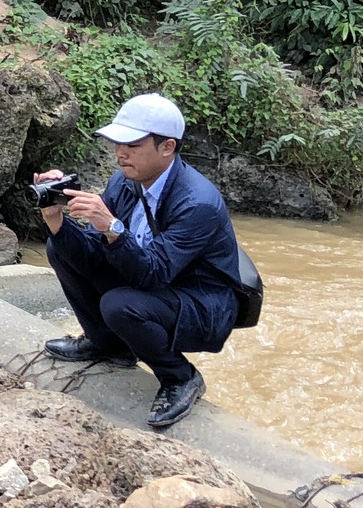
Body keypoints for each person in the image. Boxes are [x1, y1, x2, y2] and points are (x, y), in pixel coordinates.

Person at [32, 92, 244, 429]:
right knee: (60, 246)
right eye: (118, 143)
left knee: (120, 304)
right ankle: (107, 345)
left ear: (167, 147)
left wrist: (113, 227)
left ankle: (180, 377)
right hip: (154, 282)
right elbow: (94, 250)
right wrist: (56, 217)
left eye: (132, 144)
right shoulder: (124, 181)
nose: (121, 153)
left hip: (202, 303)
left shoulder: (197, 203)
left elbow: (153, 272)